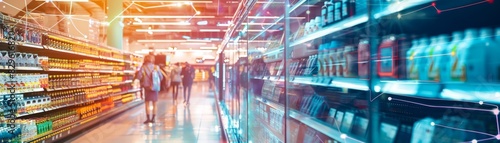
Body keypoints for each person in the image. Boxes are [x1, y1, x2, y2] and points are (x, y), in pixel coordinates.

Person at [137, 55, 164, 124]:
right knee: (154, 103)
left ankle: (148, 118)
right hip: (155, 87)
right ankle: (153, 118)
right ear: (152, 59)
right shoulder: (156, 67)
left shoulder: (143, 67)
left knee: (147, 103)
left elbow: (139, 76)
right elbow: (161, 77)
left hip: (147, 87)